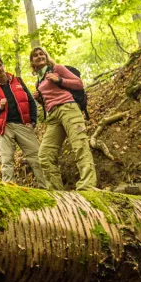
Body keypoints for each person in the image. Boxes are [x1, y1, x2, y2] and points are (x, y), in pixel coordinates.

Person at [30, 47, 98, 191]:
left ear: (46, 56)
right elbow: (49, 101)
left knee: (79, 144)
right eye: (35, 55)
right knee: (44, 155)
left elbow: (79, 83)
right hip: (53, 116)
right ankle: (56, 191)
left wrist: (59, 79)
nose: (39, 56)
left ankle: (87, 186)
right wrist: (40, 99)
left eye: (41, 54)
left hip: (68, 109)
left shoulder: (57, 68)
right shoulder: (38, 82)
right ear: (32, 62)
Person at [0, 56, 49, 189]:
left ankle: (46, 188)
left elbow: (31, 102)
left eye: (0, 65)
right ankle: (9, 191)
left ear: (3, 65)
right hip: (4, 128)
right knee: (6, 161)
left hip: (23, 125)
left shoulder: (17, 81)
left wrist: (33, 121)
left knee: (37, 158)